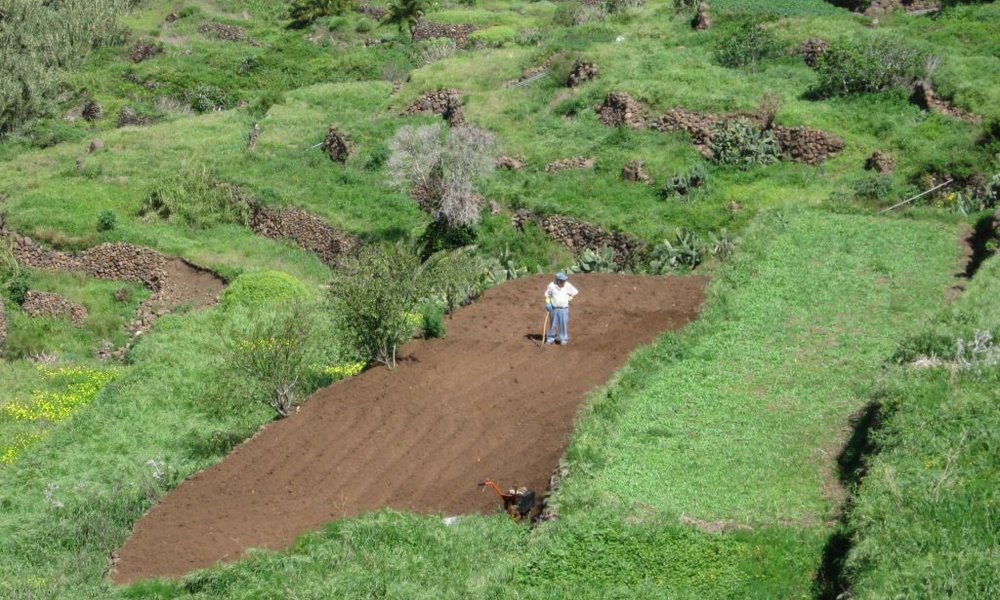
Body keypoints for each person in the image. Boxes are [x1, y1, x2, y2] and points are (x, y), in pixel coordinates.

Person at [544, 272, 578, 345]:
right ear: (557, 280)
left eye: (565, 280)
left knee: (563, 324)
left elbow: (575, 292)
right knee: (552, 324)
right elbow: (547, 295)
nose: (564, 282)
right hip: (554, 308)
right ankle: (550, 338)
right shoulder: (552, 285)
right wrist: (548, 303)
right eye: (562, 280)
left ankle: (563, 339)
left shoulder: (567, 285)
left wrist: (571, 297)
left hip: (564, 309)